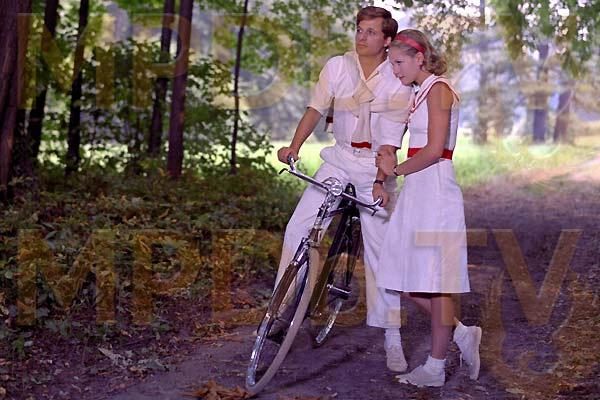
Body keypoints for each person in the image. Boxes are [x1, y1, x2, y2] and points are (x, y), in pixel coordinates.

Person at [275, 6, 413, 372]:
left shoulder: (398, 77)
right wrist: (293, 146)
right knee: (298, 226)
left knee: (382, 249)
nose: (361, 37)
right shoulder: (337, 66)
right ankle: (280, 307)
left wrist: (381, 181)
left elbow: (390, 142)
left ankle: (392, 336)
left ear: (387, 40)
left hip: (374, 167)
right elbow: (315, 109)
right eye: (359, 30)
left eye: (371, 32)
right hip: (338, 158)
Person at [374, 29, 482, 387]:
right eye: (392, 64)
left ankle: (435, 368)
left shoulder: (439, 89)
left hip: (435, 188)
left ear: (419, 58)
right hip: (417, 190)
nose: (395, 70)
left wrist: (396, 170)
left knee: (436, 283)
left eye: (399, 63)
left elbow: (435, 149)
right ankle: (462, 333)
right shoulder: (418, 92)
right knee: (400, 277)